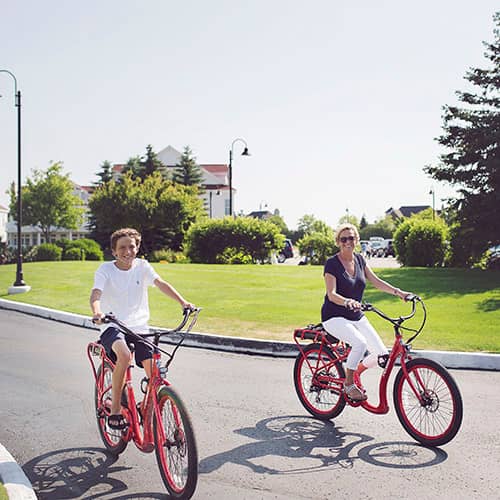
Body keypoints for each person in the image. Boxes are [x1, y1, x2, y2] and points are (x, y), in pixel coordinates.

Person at [90, 227, 194, 429]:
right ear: (114, 251)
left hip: (139, 327)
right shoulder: (105, 269)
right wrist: (97, 312)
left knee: (154, 371)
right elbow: (96, 293)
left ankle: (146, 407)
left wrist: (184, 302)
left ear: (137, 248)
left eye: (132, 246)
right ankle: (116, 410)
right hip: (113, 325)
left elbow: (160, 283)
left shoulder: (142, 266)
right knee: (125, 356)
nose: (128, 251)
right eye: (122, 248)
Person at [321, 223, 412, 402]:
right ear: (338, 242)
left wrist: (399, 292)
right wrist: (347, 301)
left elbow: (376, 282)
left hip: (356, 315)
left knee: (381, 355)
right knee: (360, 343)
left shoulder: (360, 260)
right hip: (334, 316)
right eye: (343, 239)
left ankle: (354, 374)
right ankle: (348, 384)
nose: (348, 241)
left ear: (357, 240)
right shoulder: (332, 263)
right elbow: (332, 294)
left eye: (351, 238)